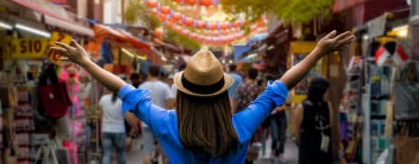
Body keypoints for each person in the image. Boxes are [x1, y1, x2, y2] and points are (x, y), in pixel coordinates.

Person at [52, 30, 352, 163]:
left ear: (183, 94)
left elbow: (123, 89)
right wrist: (318, 51)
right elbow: (281, 87)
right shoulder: (241, 126)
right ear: (223, 95)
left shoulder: (168, 124)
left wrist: (85, 62)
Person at [139, 65, 175, 164]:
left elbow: (137, 105)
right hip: (161, 122)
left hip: (146, 122)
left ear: (148, 73)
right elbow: (171, 103)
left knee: (147, 152)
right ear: (159, 74)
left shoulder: (142, 87)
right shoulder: (164, 87)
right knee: (166, 154)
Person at [293, 76, 333, 164]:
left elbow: (330, 124)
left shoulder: (327, 105)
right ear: (319, 91)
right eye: (325, 91)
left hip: (324, 145)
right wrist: (303, 144)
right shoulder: (302, 107)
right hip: (308, 146)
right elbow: (296, 131)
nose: (327, 93)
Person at [98, 90, 138, 164]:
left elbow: (100, 116)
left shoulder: (103, 99)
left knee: (107, 154)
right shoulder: (121, 100)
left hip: (106, 130)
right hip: (119, 131)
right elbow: (128, 117)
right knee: (121, 154)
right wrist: (135, 127)